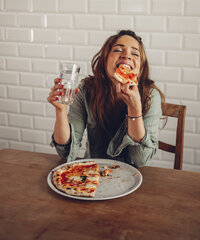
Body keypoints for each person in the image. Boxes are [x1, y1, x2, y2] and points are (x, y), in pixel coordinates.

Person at [47, 30, 164, 167]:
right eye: (118, 50)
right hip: (93, 172)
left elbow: (142, 160)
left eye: (135, 53)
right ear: (105, 60)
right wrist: (61, 111)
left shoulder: (150, 96)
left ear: (141, 68)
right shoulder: (86, 90)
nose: (126, 56)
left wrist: (134, 110)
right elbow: (65, 153)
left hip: (134, 176)